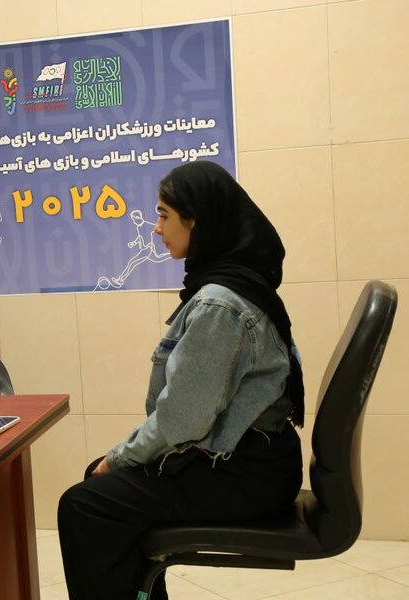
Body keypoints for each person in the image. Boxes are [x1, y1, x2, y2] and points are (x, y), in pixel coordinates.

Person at [57, 161, 305, 600]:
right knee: (99, 488)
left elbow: (182, 420)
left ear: (197, 221)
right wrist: (119, 460)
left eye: (164, 215)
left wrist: (117, 459)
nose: (156, 228)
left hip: (245, 475)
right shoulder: (237, 284)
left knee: (84, 504)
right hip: (258, 462)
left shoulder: (219, 306)